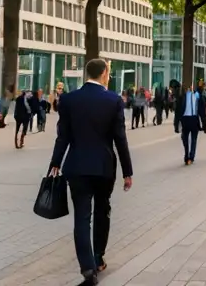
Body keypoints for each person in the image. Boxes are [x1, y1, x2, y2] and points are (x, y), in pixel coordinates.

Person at [48, 58, 133, 286]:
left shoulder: (68, 99)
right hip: (104, 167)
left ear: (87, 73)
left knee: (81, 218)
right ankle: (98, 258)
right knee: (103, 210)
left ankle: (87, 268)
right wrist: (128, 171)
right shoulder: (113, 100)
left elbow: (63, 135)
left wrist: (55, 162)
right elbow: (120, 139)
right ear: (104, 73)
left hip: (76, 166)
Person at [174, 81, 206, 166]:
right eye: (189, 86)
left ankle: (191, 157)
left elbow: (202, 111)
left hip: (194, 119)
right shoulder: (182, 97)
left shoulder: (197, 96)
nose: (190, 88)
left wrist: (205, 124)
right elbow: (178, 111)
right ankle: (186, 154)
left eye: (191, 86)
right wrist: (176, 124)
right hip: (185, 120)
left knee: (194, 140)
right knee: (184, 139)